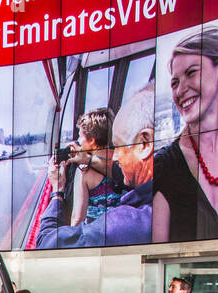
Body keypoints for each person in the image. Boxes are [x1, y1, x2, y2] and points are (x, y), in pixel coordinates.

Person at [151, 27, 218, 243]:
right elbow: (156, 254)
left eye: (191, 72)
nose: (180, 90)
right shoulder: (164, 166)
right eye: (175, 83)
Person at [35, 85, 155, 249]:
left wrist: (57, 189)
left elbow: (73, 223)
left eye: (80, 135)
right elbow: (115, 171)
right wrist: (87, 158)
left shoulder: (83, 172)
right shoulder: (144, 185)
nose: (116, 156)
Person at [67, 108, 123, 227]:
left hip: (97, 235)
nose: (78, 140)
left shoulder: (84, 171)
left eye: (80, 135)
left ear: (92, 140)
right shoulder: (121, 158)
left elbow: (77, 219)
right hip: (122, 227)